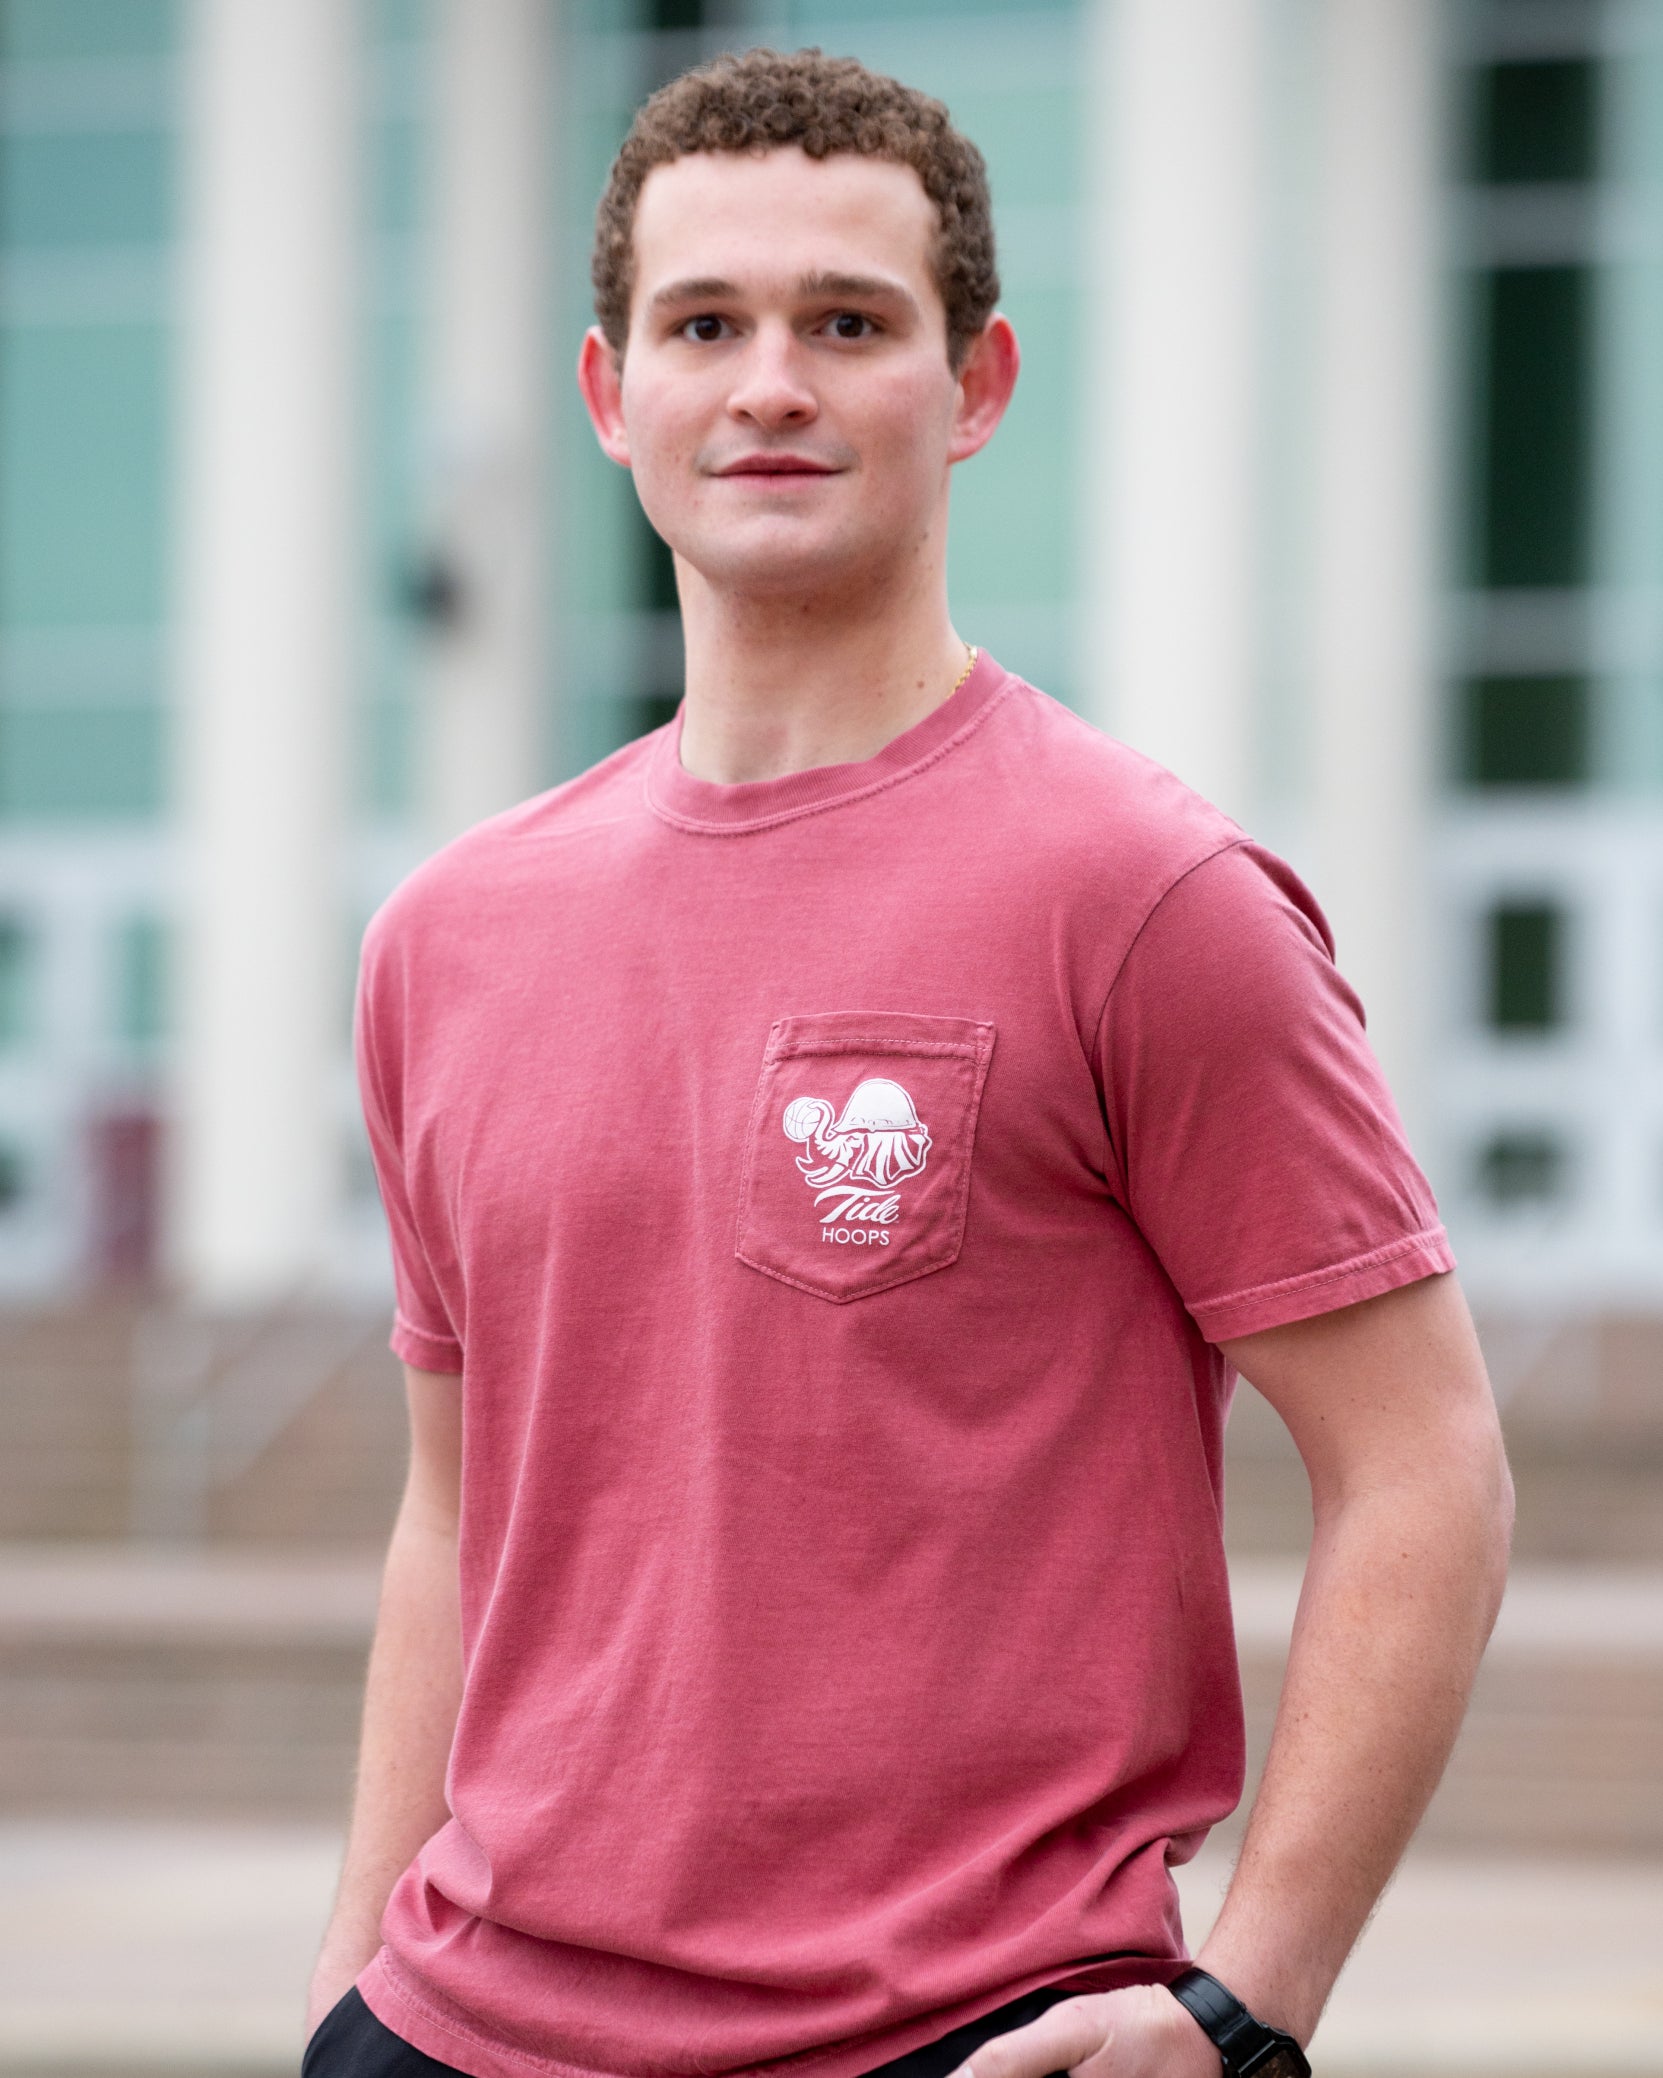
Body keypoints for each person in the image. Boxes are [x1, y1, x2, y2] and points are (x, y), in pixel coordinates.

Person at [305, 46, 1514, 2078]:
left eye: (846, 324)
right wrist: (355, 1974)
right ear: (614, 397)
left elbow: (1424, 1465)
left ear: (974, 389)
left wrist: (1250, 1998)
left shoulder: (1143, 895)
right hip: (464, 2033)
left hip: (964, 2038)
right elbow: (453, 1510)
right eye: (706, 325)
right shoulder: (450, 936)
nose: (769, 381)